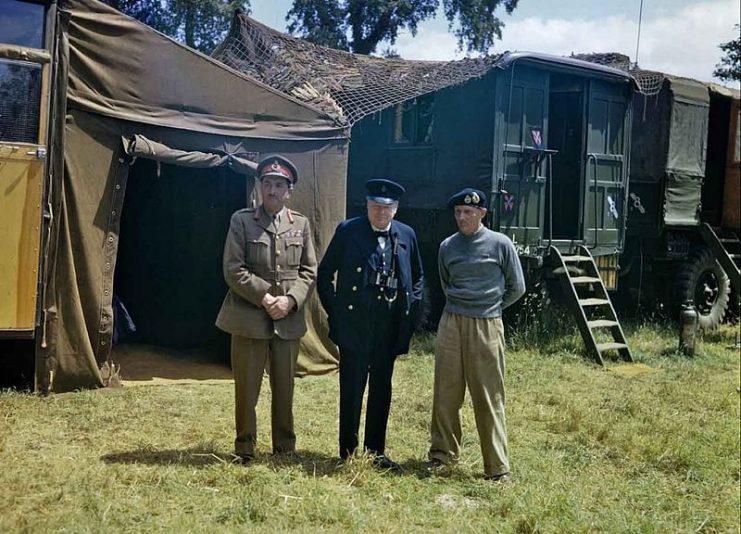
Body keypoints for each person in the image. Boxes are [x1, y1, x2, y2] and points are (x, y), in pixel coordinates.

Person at [216, 154, 317, 463]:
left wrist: (290, 300)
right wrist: (264, 297)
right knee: (247, 387)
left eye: (279, 185)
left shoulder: (300, 224)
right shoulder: (242, 220)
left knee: (285, 387)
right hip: (248, 317)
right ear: (259, 187)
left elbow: (309, 270)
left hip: (287, 319)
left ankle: (285, 448)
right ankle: (245, 447)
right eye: (267, 184)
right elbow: (233, 269)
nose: (272, 190)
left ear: (289, 191)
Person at [317, 179, 424, 471]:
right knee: (352, 388)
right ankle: (348, 452)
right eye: (375, 206)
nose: (381, 212)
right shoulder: (349, 231)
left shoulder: (406, 235)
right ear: (366, 206)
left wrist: (410, 310)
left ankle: (376, 451)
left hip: (388, 325)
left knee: (381, 389)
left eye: (387, 207)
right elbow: (324, 273)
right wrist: (336, 313)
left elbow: (417, 276)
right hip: (355, 324)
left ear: (396, 209)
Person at [428, 187, 525, 481]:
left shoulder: (500, 244)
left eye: (468, 212)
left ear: (482, 213)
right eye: (458, 212)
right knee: (446, 393)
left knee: (488, 396)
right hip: (452, 322)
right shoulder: (448, 246)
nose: (462, 218)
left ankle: (496, 467)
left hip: (486, 324)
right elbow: (446, 283)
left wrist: (491, 307)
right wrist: (461, 306)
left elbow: (516, 287)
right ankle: (442, 456)